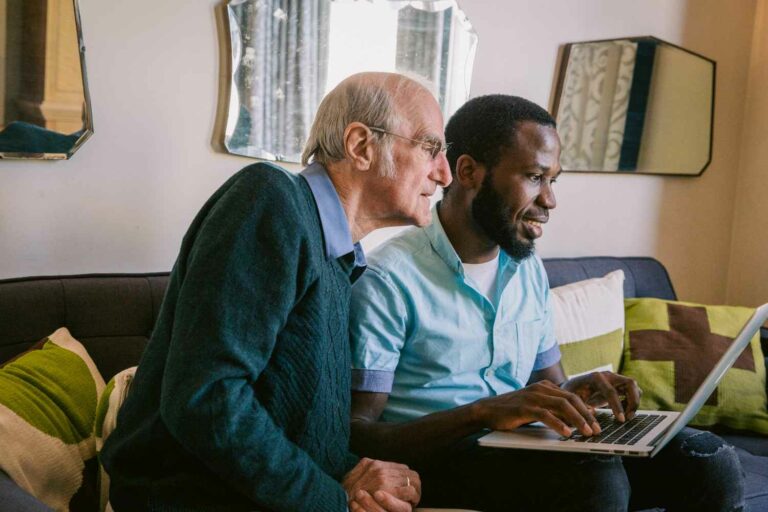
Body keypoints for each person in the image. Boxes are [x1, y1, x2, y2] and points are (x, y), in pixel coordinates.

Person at [348, 94, 745, 512]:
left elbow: (550, 384)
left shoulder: (525, 268)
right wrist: (483, 412)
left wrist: (581, 391)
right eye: (535, 177)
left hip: (520, 447)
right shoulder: (388, 279)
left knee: (706, 459)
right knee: (594, 481)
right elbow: (357, 434)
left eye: (553, 180)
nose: (549, 201)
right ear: (467, 172)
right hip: (441, 459)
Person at [101, 72, 453, 512]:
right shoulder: (269, 200)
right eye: (430, 148)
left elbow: (292, 428)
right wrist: (335, 501)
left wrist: (359, 475)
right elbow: (207, 399)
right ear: (362, 146)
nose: (444, 173)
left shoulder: (339, 258)